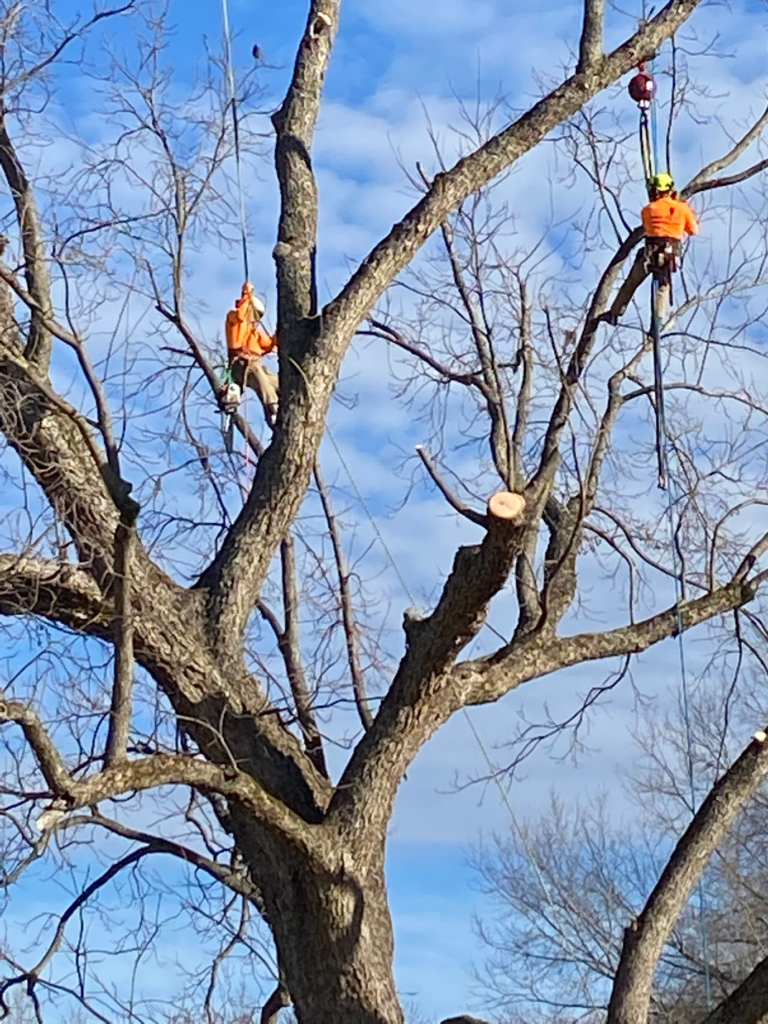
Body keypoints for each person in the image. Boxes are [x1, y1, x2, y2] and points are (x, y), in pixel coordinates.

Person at [601, 173, 699, 325]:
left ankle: (615, 312)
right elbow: (693, 231)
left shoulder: (648, 209)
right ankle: (657, 323)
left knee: (631, 282)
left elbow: (648, 228)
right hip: (670, 255)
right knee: (663, 287)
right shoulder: (682, 208)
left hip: (650, 254)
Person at [224, 282, 279, 426]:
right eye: (255, 314)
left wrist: (279, 336)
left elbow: (269, 344)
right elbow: (241, 316)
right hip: (242, 363)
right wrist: (246, 294)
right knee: (261, 377)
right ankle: (272, 408)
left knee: (277, 381)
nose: (256, 319)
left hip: (255, 362)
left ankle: (282, 401)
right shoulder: (234, 318)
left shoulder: (254, 334)